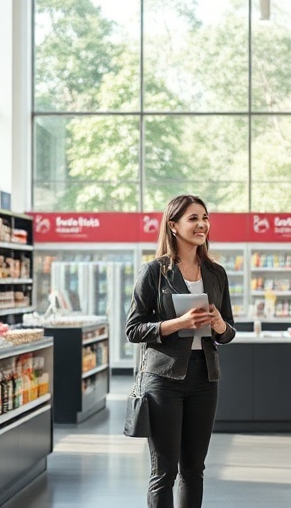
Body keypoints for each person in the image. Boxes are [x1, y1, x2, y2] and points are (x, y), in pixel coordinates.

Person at [125, 194, 237, 508]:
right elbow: (133, 329)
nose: (202, 224)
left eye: (205, 217)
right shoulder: (153, 273)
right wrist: (178, 323)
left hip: (206, 377)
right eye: (193, 218)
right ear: (173, 226)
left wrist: (218, 326)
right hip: (163, 379)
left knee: (194, 469)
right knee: (164, 471)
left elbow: (229, 330)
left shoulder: (216, 273)